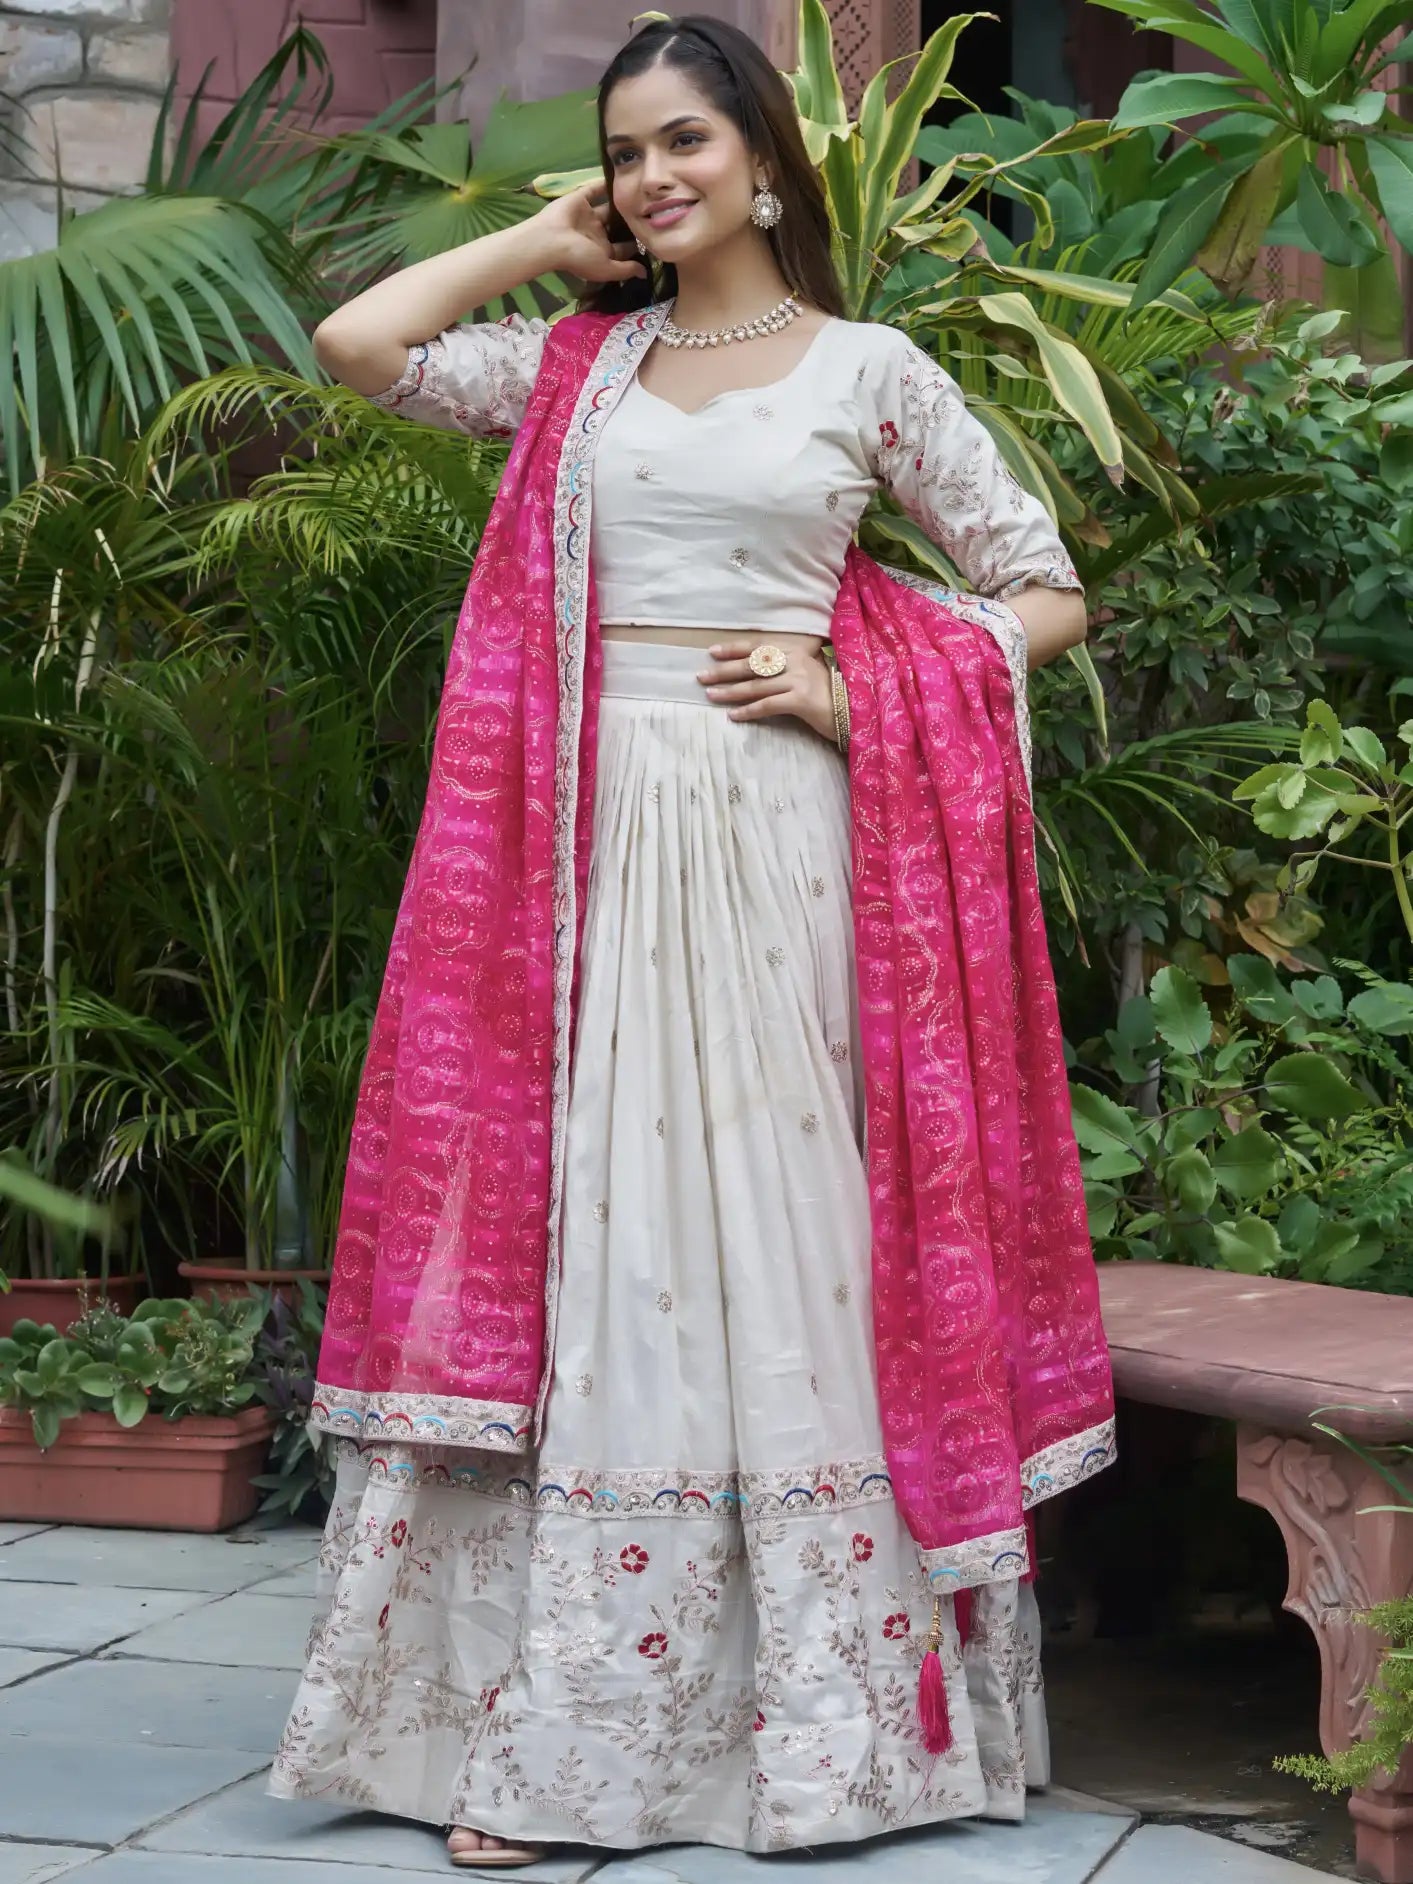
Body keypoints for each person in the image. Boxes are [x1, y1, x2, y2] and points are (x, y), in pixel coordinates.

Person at [270, 14, 1115, 1870]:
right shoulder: (576, 363)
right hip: (571, 850)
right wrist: (537, 239)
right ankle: (571, 1734)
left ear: (760, 153)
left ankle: (830, 1733)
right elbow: (357, 348)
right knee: (606, 1238)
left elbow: (1038, 590)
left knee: (791, 1234)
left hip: (785, 841)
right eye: (629, 152)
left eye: (685, 144)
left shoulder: (869, 370)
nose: (660, 177)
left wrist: (848, 686)